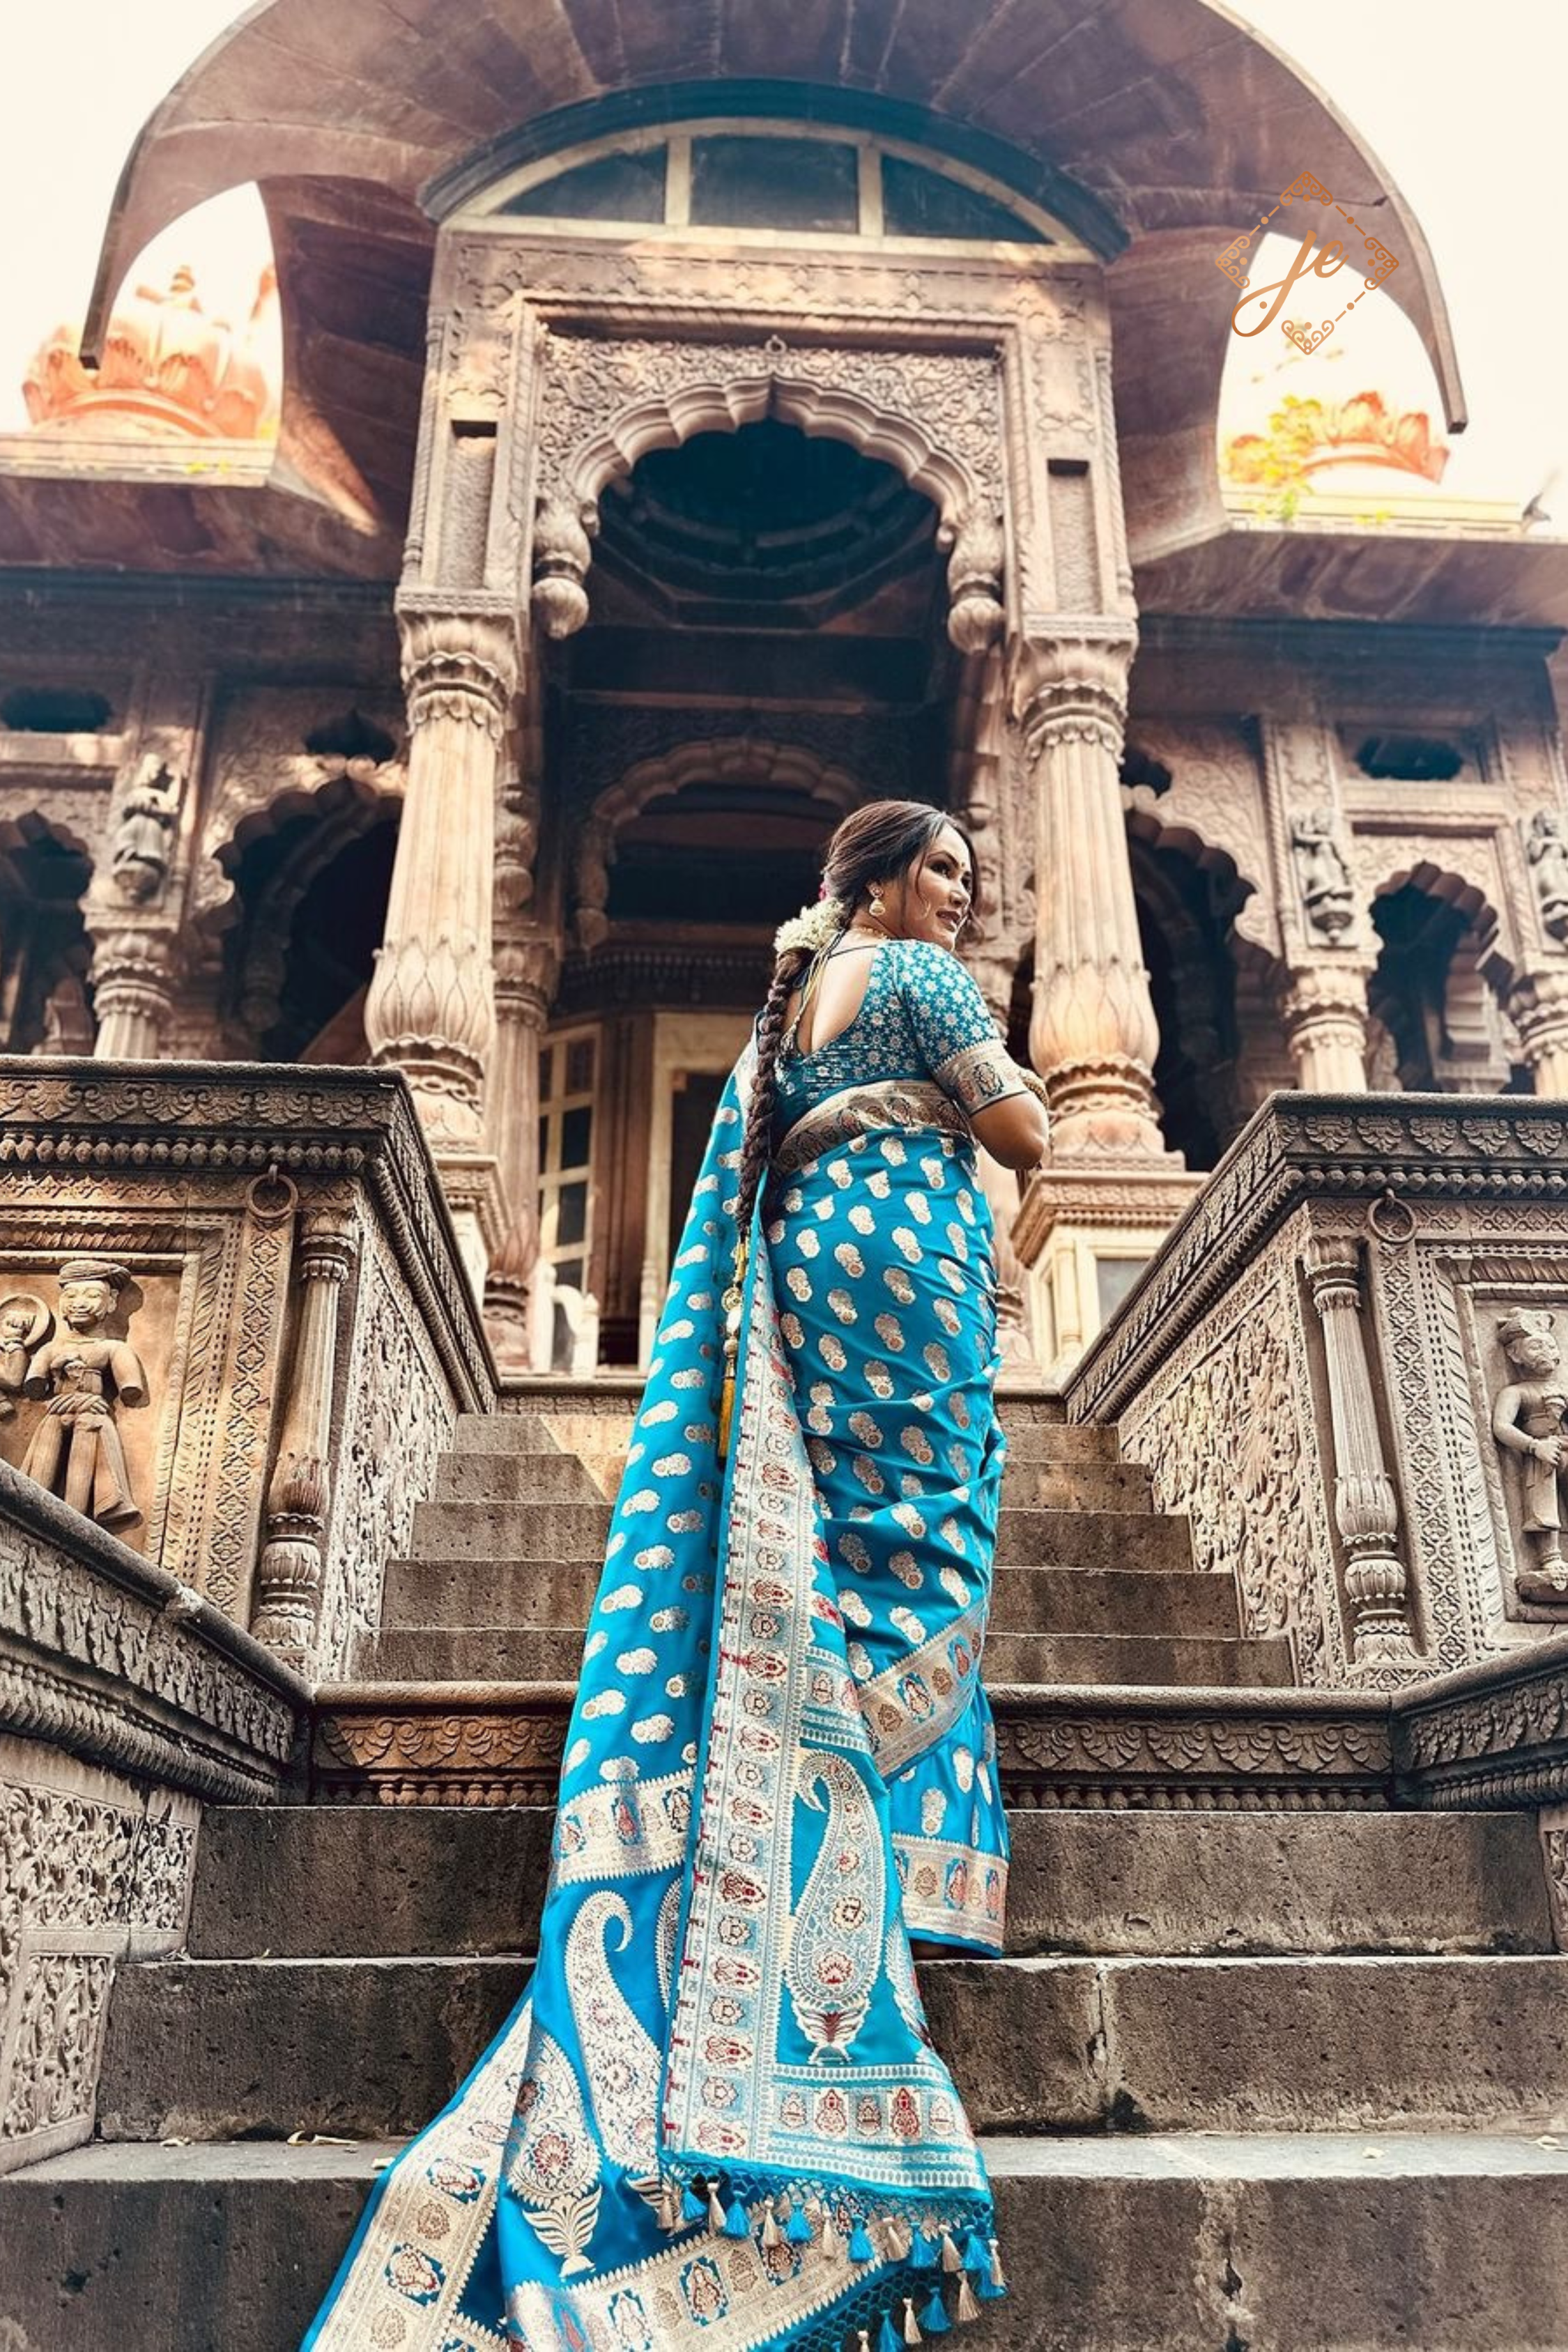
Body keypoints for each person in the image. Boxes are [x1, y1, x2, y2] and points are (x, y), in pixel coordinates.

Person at [303, 801, 1050, 2352]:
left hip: (814, 1258)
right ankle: (898, 1848)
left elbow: (765, 1161)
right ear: (883, 880)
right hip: (909, 1246)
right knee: (928, 1535)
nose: (963, 897)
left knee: (841, 1534)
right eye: (946, 871)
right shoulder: (920, 983)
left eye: (971, 878)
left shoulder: (797, 1002)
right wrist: (1025, 1152)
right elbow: (1027, 1133)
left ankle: (851, 1824)